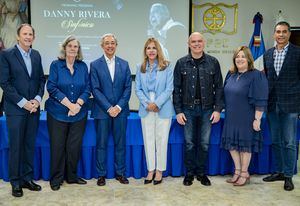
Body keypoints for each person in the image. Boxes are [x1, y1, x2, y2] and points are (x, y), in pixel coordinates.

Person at [0, 23, 45, 197]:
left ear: (34, 37)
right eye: (25, 34)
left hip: (33, 109)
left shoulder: (36, 55)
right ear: (18, 36)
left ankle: (27, 179)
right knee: (16, 147)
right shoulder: (6, 55)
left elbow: (41, 80)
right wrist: (22, 102)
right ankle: (15, 182)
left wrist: (37, 100)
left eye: (30, 34)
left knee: (28, 146)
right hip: (16, 110)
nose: (28, 37)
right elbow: (4, 82)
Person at [173, 32, 223, 186]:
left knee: (204, 143)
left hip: (207, 109)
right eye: (193, 41)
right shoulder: (181, 63)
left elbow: (219, 87)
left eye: (199, 41)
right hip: (187, 109)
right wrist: (179, 111)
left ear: (204, 43)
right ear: (189, 44)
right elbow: (176, 89)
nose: (196, 44)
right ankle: (189, 174)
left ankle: (201, 173)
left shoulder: (213, 62)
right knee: (189, 143)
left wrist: (217, 109)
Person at [45, 35, 90, 191]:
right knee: (57, 147)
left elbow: (87, 88)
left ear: (78, 50)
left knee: (74, 147)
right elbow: (51, 88)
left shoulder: (83, 67)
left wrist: (77, 105)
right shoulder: (56, 65)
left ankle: (71, 177)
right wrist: (70, 105)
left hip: (79, 114)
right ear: (65, 48)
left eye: (75, 46)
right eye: (70, 46)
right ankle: (56, 178)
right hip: (57, 113)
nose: (73, 48)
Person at [221, 46, 268, 186]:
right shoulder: (231, 75)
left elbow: (260, 98)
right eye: (237, 56)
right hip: (231, 117)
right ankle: (237, 171)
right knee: (232, 146)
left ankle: (244, 173)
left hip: (247, 117)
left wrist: (257, 119)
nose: (239, 59)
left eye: (242, 56)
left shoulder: (256, 75)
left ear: (248, 59)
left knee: (244, 147)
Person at [262, 21, 300, 191]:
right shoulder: (267, 54)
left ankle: (288, 176)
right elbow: (268, 79)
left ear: (289, 34)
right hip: (272, 105)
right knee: (276, 140)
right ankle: (278, 171)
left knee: (290, 142)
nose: (281, 34)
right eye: (278, 31)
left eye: (284, 31)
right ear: (274, 34)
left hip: (291, 105)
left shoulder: (298, 53)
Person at [90, 33, 131, 186]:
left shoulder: (125, 64)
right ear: (102, 46)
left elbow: (127, 88)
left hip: (121, 111)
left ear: (116, 45)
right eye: (107, 43)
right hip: (102, 112)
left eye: (112, 43)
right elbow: (95, 89)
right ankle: (101, 175)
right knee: (101, 144)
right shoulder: (94, 65)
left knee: (120, 144)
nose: (110, 46)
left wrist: (118, 107)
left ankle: (120, 173)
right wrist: (109, 108)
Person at [135, 38, 174, 185]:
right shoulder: (140, 67)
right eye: (148, 48)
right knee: (148, 140)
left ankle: (159, 171)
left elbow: (169, 88)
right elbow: (137, 88)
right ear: (145, 51)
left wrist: (157, 103)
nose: (151, 50)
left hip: (163, 107)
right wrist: (147, 103)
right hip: (146, 107)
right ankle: (150, 170)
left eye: (154, 48)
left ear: (158, 50)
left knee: (162, 140)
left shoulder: (167, 66)